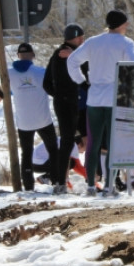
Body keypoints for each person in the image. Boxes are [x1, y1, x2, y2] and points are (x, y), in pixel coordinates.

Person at [67, 10, 134, 195]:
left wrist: (82, 81)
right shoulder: (126, 43)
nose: (127, 26)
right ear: (120, 24)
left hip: (95, 98)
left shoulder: (93, 41)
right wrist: (129, 89)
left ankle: (91, 184)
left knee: (93, 143)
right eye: (125, 23)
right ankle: (109, 185)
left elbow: (72, 61)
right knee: (113, 143)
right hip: (115, 97)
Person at [6, 43, 57, 192]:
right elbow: (51, 88)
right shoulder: (41, 72)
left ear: (18, 56)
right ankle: (56, 181)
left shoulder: (8, 74)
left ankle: (28, 187)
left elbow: (9, 92)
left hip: (24, 122)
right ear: (33, 55)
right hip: (43, 119)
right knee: (53, 150)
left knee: (26, 154)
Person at [43, 23, 85, 194]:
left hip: (62, 102)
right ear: (74, 38)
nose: (82, 40)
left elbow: (46, 83)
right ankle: (64, 181)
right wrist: (66, 95)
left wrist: (58, 95)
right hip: (74, 102)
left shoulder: (56, 54)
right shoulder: (72, 54)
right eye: (80, 37)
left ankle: (61, 181)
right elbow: (85, 72)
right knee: (74, 141)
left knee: (67, 142)